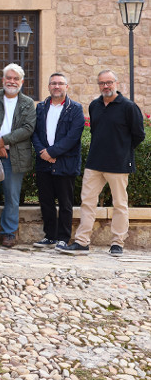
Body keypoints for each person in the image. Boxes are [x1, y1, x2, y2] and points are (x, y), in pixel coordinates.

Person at [59, 70, 144, 257]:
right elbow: (97, 131)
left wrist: (122, 152)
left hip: (118, 164)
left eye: (109, 82)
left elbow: (139, 135)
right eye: (102, 83)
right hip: (94, 163)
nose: (106, 86)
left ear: (116, 83)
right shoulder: (95, 105)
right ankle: (82, 242)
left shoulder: (129, 107)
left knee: (120, 204)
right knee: (87, 202)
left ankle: (117, 243)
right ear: (98, 85)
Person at [0, 63, 36, 248]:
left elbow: (28, 128)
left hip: (15, 156)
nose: (12, 82)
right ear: (3, 79)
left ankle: (8, 233)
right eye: (9, 78)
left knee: (12, 195)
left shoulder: (27, 103)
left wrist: (3, 141)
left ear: (21, 81)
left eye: (16, 79)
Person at [31, 73, 84, 249]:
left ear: (66, 87)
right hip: (43, 162)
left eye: (60, 83)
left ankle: (63, 238)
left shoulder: (75, 108)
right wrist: (42, 152)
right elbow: (35, 133)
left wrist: (53, 152)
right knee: (46, 201)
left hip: (65, 162)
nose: (56, 86)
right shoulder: (41, 107)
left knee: (65, 203)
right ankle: (50, 236)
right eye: (53, 83)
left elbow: (73, 137)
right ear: (48, 87)